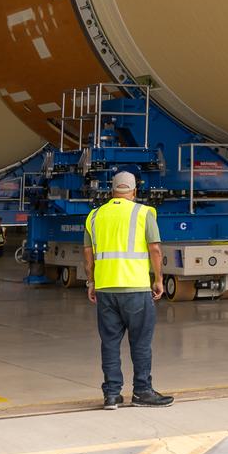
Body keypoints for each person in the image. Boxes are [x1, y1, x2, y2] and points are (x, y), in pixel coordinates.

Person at [83, 172, 174, 409]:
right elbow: (155, 249)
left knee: (110, 343)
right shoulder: (144, 213)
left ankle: (111, 395)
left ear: (112, 191)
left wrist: (91, 282)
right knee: (141, 343)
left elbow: (87, 254)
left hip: (105, 289)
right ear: (134, 192)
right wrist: (159, 279)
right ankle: (142, 391)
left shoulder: (94, 216)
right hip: (135, 288)